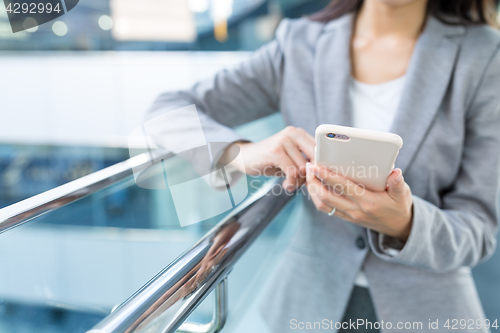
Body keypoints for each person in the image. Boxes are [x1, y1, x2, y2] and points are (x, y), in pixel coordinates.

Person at [145, 0, 500, 331]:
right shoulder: (298, 46)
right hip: (310, 302)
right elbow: (166, 110)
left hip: (429, 311)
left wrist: (404, 222)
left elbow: (478, 230)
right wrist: (240, 153)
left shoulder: (485, 55)